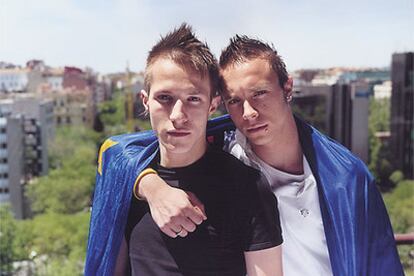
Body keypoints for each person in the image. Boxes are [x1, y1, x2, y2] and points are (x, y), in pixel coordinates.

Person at [135, 35, 404, 275]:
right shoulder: (223, 152)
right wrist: (152, 186)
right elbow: (120, 150)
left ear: (287, 89)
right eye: (235, 101)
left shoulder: (345, 177)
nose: (249, 112)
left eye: (260, 93)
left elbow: (382, 264)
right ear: (221, 104)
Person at [85, 24, 283, 276]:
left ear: (213, 105)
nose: (178, 116)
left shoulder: (246, 185)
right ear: (145, 102)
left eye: (193, 99)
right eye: (165, 98)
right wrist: (150, 188)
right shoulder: (123, 182)